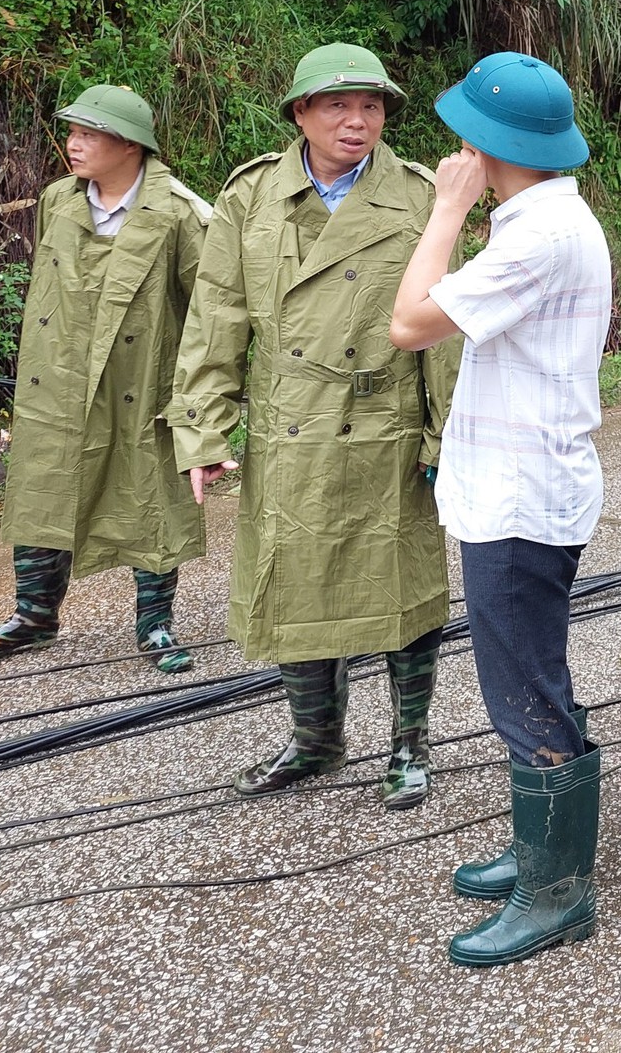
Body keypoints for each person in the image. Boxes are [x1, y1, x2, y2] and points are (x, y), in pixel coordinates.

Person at [168, 43, 460, 806]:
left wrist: (445, 437)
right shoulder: (250, 197)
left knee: (400, 588)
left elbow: (444, 326)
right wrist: (202, 428)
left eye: (371, 107)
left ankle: (409, 745)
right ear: (300, 112)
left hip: (384, 421)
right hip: (289, 423)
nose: (357, 122)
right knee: (293, 583)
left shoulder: (422, 196)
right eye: (337, 106)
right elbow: (217, 317)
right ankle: (315, 743)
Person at [387, 51, 613, 969]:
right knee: (528, 680)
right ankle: (538, 853)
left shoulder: (537, 235)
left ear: (488, 143)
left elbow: (409, 321)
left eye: (463, 139)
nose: (455, 153)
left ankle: (556, 892)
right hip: (515, 487)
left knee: (526, 694)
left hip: (520, 501)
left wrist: (443, 212)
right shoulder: (541, 219)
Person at [0, 86, 209, 674]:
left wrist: (201, 394)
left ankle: (155, 625)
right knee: (44, 483)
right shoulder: (58, 200)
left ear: (129, 145)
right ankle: (35, 616)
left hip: (141, 380)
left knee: (146, 489)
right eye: (72, 131)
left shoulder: (176, 213)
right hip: (61, 379)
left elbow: (210, 307)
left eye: (88, 134)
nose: (73, 144)